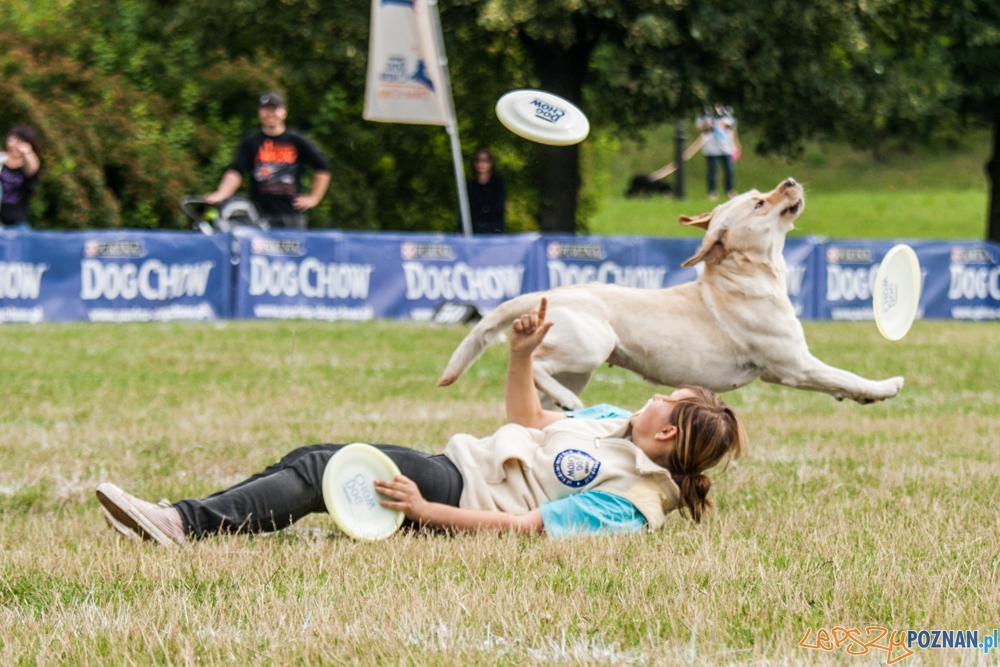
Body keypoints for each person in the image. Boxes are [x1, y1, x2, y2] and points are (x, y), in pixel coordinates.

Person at [95, 298, 745, 546]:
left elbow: (525, 527)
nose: (657, 393)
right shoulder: (612, 419)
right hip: (451, 474)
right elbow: (526, 418)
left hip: (454, 496)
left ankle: (182, 523)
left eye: (671, 396)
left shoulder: (637, 500)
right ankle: (196, 520)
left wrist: (426, 511)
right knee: (314, 457)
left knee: (323, 467)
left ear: (668, 433)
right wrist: (520, 355)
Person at [205, 92, 331, 229]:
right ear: (259, 112)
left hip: (292, 215)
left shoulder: (297, 141)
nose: (270, 114)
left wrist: (314, 198)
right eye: (266, 109)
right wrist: (221, 194)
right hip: (260, 215)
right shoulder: (251, 142)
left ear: (284, 112)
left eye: (275, 109)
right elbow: (236, 172)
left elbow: (322, 167)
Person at [0, 125, 42, 228]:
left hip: (17, 224)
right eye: (10, 140)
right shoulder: (2, 161)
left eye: (18, 142)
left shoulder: (28, 166)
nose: (12, 145)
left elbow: (33, 169)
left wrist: (27, 152)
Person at [695, 104, 738, 200]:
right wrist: (708, 126)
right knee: (713, 171)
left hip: (726, 147)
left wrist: (736, 144)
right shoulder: (705, 112)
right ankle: (712, 192)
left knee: (729, 170)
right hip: (711, 148)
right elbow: (699, 127)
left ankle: (729, 190)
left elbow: (732, 129)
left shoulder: (727, 111)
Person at [464, 148, 506, 234]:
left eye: (485, 160)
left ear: (491, 163)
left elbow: (498, 209)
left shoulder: (498, 184)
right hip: (473, 231)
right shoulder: (470, 185)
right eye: (478, 160)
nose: (481, 163)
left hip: (493, 231)